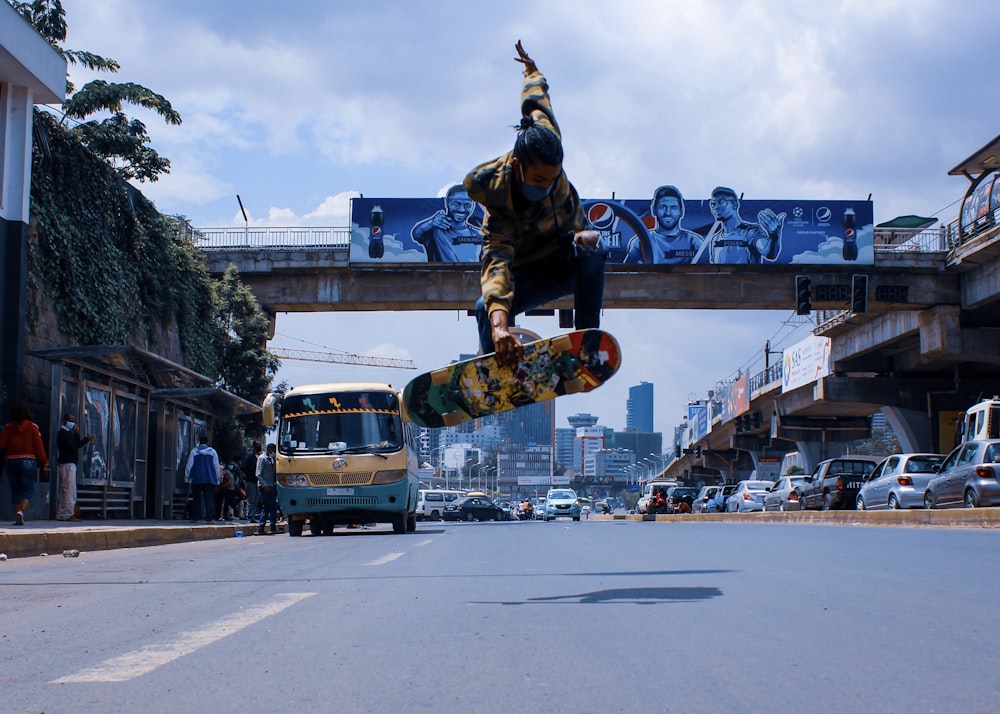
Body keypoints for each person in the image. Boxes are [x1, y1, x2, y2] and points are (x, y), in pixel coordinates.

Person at [465, 41, 605, 365]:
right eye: (540, 180)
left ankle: (586, 342)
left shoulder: (546, 137)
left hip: (563, 258)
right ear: (518, 167)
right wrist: (501, 325)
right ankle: (494, 367)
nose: (549, 186)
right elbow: (496, 265)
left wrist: (532, 72)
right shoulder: (500, 205)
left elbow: (537, 102)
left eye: (554, 179)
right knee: (483, 309)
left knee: (594, 247)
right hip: (527, 272)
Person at [624, 185, 704, 264]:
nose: (668, 213)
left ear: (681, 212)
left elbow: (708, 271)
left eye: (673, 208)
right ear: (654, 210)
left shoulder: (694, 241)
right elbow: (630, 273)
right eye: (663, 207)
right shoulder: (641, 241)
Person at [704, 186, 784, 264]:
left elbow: (768, 252)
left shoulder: (751, 231)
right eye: (713, 204)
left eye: (721, 202)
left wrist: (774, 236)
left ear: (735, 204)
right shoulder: (715, 239)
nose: (715, 207)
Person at [0, 402, 49, 526]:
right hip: (28, 460)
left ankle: (17, 516)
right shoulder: (32, 427)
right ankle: (21, 512)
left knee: (15, 489)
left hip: (10, 460)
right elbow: (39, 447)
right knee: (28, 488)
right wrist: (44, 461)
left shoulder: (8, 427)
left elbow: (1, 444)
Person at [411, 185, 483, 262]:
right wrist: (431, 222)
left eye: (467, 205)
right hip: (439, 274)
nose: (462, 209)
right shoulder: (435, 231)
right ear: (447, 202)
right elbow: (416, 234)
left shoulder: (479, 235)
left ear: (473, 205)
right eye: (456, 204)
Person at [55, 412, 95, 521]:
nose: (72, 423)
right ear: (65, 421)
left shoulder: (68, 433)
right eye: (71, 420)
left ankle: (63, 513)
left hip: (67, 463)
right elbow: (74, 446)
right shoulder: (63, 433)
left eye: (73, 421)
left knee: (65, 490)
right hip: (67, 464)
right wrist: (86, 439)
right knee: (69, 491)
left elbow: (75, 444)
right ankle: (68, 514)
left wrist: (77, 434)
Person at [184, 434, 221, 523]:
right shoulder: (212, 452)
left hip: (196, 479)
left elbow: (189, 465)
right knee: (209, 499)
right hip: (209, 479)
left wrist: (187, 477)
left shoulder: (194, 451)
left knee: (196, 499)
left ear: (199, 442)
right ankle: (209, 518)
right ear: (207, 442)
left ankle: (196, 517)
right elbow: (216, 466)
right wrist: (218, 479)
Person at [256, 443, 278, 535]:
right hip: (264, 487)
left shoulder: (270, 459)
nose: (273, 452)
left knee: (269, 507)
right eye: (273, 450)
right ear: (269, 449)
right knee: (271, 506)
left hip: (271, 486)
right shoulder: (262, 458)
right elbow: (258, 473)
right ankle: (263, 527)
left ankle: (269, 527)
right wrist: (264, 485)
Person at [240, 441, 262, 521]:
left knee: (256, 499)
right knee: (251, 499)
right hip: (251, 481)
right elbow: (243, 467)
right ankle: (250, 515)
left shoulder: (259, 456)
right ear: (254, 446)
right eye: (258, 445)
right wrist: (250, 475)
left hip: (257, 481)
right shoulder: (250, 456)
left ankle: (252, 515)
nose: (259, 447)